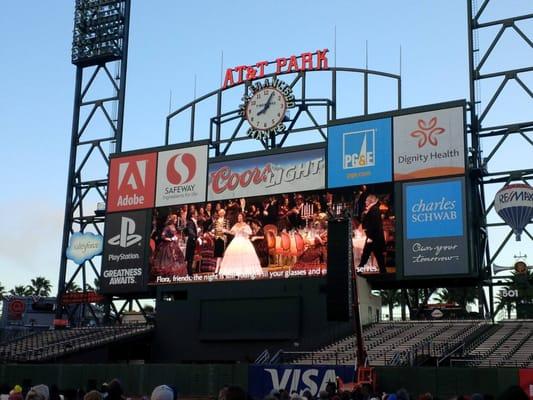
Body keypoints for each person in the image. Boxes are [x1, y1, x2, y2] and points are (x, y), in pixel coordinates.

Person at [218, 213, 263, 277]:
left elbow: (250, 233)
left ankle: (245, 271)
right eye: (238, 216)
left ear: (242, 217)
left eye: (240, 216)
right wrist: (225, 231)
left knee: (245, 256)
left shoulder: (245, 225)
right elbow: (232, 232)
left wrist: (244, 231)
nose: (239, 218)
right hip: (236, 241)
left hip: (244, 241)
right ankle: (235, 271)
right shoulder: (236, 225)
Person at [357, 194, 386, 274]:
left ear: (370, 201)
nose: (365, 202)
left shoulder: (374, 210)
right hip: (373, 237)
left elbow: (375, 225)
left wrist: (370, 237)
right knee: (372, 256)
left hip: (373, 238)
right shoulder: (372, 209)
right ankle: (360, 269)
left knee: (371, 255)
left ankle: (359, 270)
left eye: (366, 200)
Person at [213, 209, 228, 274]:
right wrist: (213, 232)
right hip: (217, 238)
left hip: (223, 238)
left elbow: (227, 229)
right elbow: (214, 229)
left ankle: (218, 269)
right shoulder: (216, 221)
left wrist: (225, 232)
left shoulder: (226, 221)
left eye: (222, 212)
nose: (221, 214)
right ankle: (219, 269)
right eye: (220, 212)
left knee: (222, 254)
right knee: (218, 254)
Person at [185, 210, 199, 276]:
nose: (197, 215)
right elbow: (190, 231)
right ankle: (190, 273)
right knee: (190, 258)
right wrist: (196, 236)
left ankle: (190, 272)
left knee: (191, 257)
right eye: (196, 213)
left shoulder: (194, 222)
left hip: (193, 241)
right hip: (191, 241)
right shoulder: (190, 222)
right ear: (193, 215)